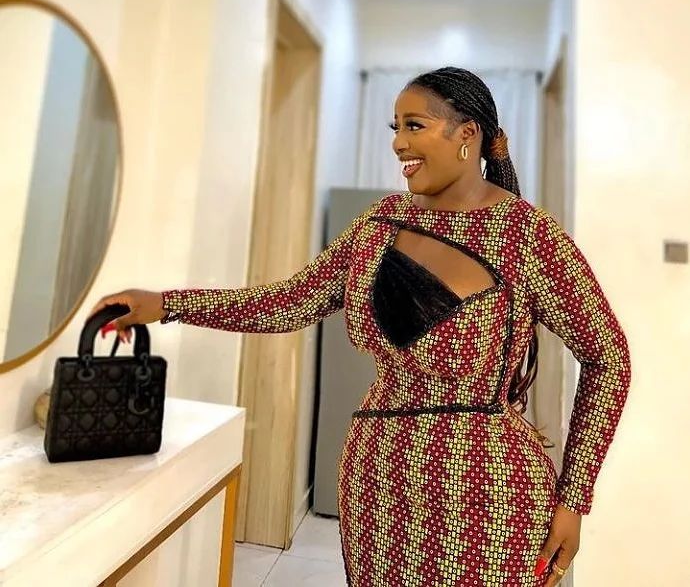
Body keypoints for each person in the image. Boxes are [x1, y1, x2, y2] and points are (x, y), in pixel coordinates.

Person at [91, 66, 631, 587]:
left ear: (467, 134)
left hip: (487, 494)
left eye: (415, 125)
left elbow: (608, 357)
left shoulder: (528, 235)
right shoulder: (379, 223)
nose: (398, 143)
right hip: (376, 479)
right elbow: (289, 303)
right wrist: (167, 304)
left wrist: (573, 499)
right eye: (395, 127)